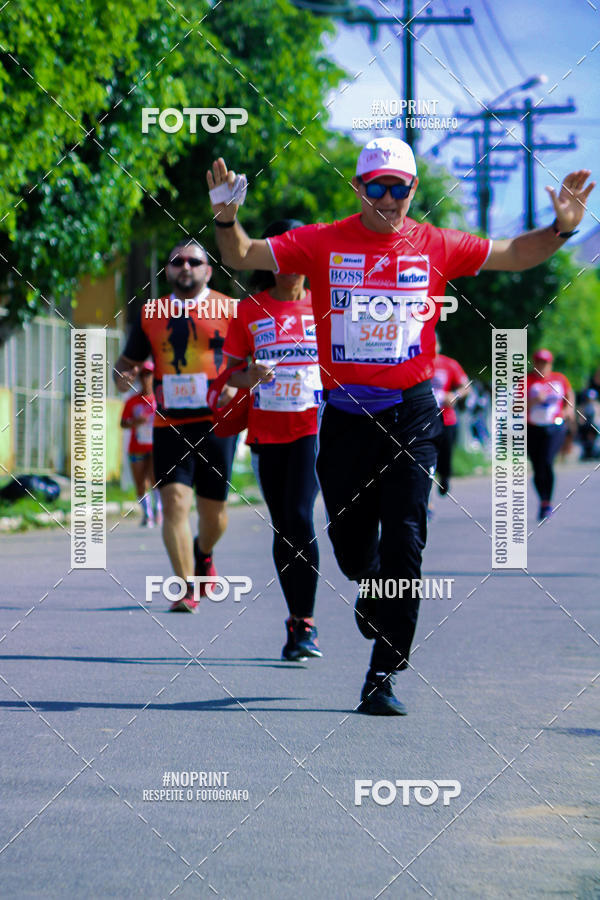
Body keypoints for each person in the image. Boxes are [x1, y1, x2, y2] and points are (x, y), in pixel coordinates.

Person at [207, 136, 594, 715]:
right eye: (377, 186)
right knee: (352, 547)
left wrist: (561, 230)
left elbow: (514, 253)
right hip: (344, 418)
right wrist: (225, 217)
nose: (389, 197)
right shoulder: (320, 242)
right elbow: (241, 255)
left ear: (414, 190)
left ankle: (383, 673)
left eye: (400, 187)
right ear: (358, 187)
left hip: (412, 412)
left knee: (408, 539)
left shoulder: (435, 243)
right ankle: (371, 582)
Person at [114, 239, 237, 613]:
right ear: (167, 271)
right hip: (169, 423)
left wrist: (235, 382)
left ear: (208, 270)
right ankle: (186, 588)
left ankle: (203, 553)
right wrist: (122, 376)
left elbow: (247, 358)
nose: (185, 267)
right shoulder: (151, 313)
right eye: (177, 261)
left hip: (217, 423)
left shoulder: (231, 308)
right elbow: (126, 363)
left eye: (193, 261)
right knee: (175, 505)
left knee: (215, 516)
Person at [222, 219, 323, 662]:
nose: (290, 265)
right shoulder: (249, 311)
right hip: (267, 431)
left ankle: (306, 625)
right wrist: (251, 376)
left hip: (313, 428)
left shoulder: (329, 307)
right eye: (281, 255)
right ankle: (295, 620)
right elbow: (230, 375)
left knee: (300, 516)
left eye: (298, 255)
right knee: (284, 525)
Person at [527, 349, 575, 520]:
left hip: (555, 427)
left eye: (545, 362)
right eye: (539, 362)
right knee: (538, 468)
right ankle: (543, 500)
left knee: (547, 461)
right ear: (534, 363)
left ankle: (547, 503)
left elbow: (569, 396)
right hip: (532, 428)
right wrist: (534, 401)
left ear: (550, 364)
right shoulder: (526, 381)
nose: (542, 365)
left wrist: (569, 410)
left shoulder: (559, 379)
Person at [120, 359, 162, 527]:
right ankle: (147, 514)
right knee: (140, 483)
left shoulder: (159, 400)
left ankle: (158, 511)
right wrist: (134, 422)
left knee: (155, 480)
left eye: (149, 375)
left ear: (154, 377)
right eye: (143, 375)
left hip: (155, 446)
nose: (146, 379)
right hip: (136, 447)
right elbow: (122, 423)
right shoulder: (132, 402)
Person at [431, 341, 470, 496]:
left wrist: (455, 395)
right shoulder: (416, 363)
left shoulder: (449, 364)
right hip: (423, 418)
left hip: (446, 418)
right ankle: (427, 501)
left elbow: (466, 387)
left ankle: (445, 476)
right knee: (425, 458)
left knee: (445, 455)